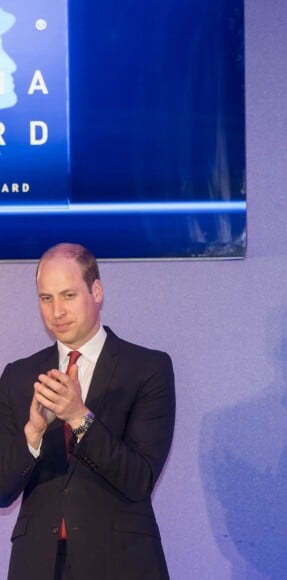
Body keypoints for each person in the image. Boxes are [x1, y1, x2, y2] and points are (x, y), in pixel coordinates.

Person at [0, 243, 175, 579]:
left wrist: (80, 417)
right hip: (37, 565)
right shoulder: (18, 376)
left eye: (68, 295)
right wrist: (33, 434)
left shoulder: (147, 368)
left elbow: (139, 480)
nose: (56, 312)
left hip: (120, 563)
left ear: (96, 291)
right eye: (46, 298)